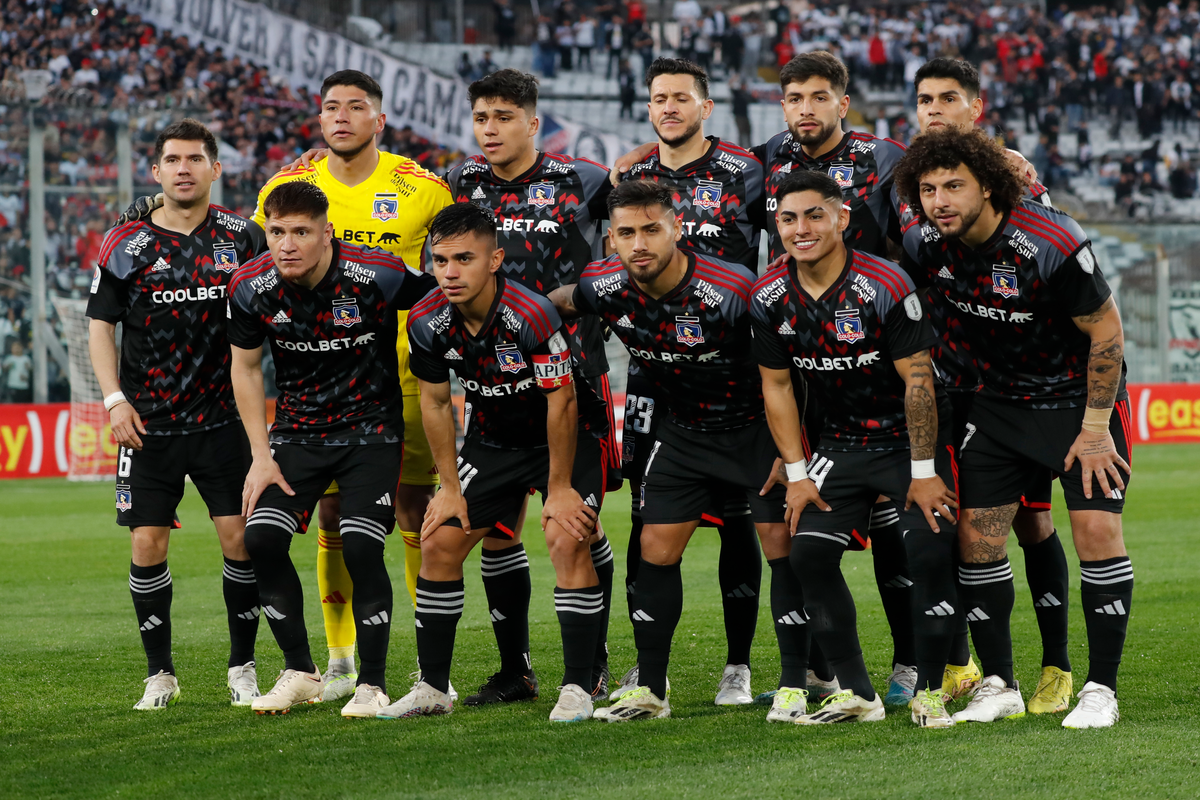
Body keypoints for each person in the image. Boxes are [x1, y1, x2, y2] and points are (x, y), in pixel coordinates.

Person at [115, 71, 453, 703]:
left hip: (387, 408)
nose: (287, 243)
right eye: (331, 107)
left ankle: (409, 676)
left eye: (356, 106)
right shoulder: (262, 252)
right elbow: (243, 349)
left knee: (404, 521)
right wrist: (149, 211)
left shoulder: (416, 201)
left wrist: (464, 361)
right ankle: (317, 667)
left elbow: (451, 280)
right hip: (297, 428)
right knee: (275, 534)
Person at [895, 127, 1133, 729]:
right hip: (997, 404)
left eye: (954, 186)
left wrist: (1096, 429)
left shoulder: (1053, 242)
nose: (940, 201)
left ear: (988, 187)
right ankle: (999, 682)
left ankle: (1101, 689)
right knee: (978, 538)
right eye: (929, 189)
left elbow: (1107, 332)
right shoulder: (925, 244)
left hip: (1077, 402)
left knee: (1096, 534)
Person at [549, 180, 791, 723]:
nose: (639, 244)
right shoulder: (604, 284)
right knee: (655, 547)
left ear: (677, 229)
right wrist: (515, 319)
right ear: (611, 239)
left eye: (651, 230)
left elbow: (787, 372)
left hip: (754, 430)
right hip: (682, 431)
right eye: (626, 233)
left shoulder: (734, 291)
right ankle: (651, 690)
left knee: (782, 547)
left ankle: (800, 679)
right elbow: (560, 302)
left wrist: (792, 451)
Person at [250, 72, 452, 700]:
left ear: (378, 120)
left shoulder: (420, 187)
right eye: (331, 107)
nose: (341, 117)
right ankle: (339, 662)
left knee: (416, 510)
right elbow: (259, 259)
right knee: (332, 516)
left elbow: (453, 266)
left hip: (405, 380)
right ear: (319, 118)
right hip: (318, 386)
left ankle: (425, 667)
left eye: (355, 107)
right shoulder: (289, 185)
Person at [750, 170, 959, 727]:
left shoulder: (885, 283)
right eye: (788, 219)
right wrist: (797, 473)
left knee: (929, 551)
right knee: (807, 556)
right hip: (840, 442)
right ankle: (858, 693)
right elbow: (777, 387)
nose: (801, 229)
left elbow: (919, 381)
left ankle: (930, 691)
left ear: (842, 218)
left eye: (814, 215)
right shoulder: (768, 296)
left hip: (906, 441)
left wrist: (923, 470)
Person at [381, 203, 605, 723]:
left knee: (566, 536)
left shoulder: (532, 313)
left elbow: (561, 401)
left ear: (495, 259)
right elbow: (436, 402)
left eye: (464, 259)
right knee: (439, 541)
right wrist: (449, 487)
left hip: (564, 438)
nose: (450, 272)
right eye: (440, 261)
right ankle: (433, 688)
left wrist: (559, 488)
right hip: (493, 441)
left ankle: (578, 687)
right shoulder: (426, 319)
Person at [227, 181, 436, 717]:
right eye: (277, 232)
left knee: (362, 546)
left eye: (301, 232)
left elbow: (444, 301)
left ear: (327, 234)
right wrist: (260, 456)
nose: (287, 244)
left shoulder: (379, 274)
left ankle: (372, 684)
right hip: (297, 435)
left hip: (371, 432)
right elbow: (245, 369)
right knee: (261, 538)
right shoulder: (249, 286)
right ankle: (300, 671)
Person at [444, 68, 619, 704]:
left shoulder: (585, 180)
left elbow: (646, 217)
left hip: (573, 385)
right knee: (498, 530)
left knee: (574, 529)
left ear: (533, 122)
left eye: (504, 118)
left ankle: (592, 663)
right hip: (493, 394)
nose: (490, 130)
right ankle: (514, 670)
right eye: (481, 118)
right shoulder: (460, 181)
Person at [611, 58, 781, 713]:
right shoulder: (632, 178)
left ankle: (738, 665)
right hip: (653, 373)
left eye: (681, 98)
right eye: (660, 98)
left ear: (705, 107)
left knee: (741, 519)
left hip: (733, 370)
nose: (669, 108)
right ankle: (646, 660)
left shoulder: (747, 170)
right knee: (648, 516)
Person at [86, 119, 266, 711]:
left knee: (240, 541)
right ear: (156, 171)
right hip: (147, 426)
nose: (183, 168)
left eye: (194, 159)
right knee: (147, 544)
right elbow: (100, 327)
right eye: (172, 159)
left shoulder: (244, 237)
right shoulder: (124, 243)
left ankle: (243, 667)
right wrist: (114, 400)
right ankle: (159, 674)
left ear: (216, 168)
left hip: (224, 422)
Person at [911, 57, 1073, 713]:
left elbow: (1048, 260)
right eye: (925, 99)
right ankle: (964, 665)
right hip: (935, 384)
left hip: (1005, 388)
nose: (935, 109)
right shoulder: (901, 174)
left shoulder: (1012, 175)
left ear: (975, 108)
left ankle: (1056, 665)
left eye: (948, 98)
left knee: (1030, 523)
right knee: (945, 527)